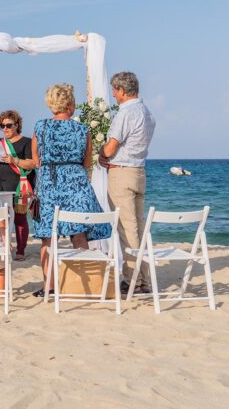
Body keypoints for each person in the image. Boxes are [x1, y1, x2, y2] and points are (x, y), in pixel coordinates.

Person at [32, 83, 110, 297]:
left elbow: (36, 161)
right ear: (70, 104)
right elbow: (86, 163)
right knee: (79, 235)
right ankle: (81, 285)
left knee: (48, 238)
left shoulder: (41, 127)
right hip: (77, 184)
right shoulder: (82, 129)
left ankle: (49, 287)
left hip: (49, 183)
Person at [99, 72, 156, 295]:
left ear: (122, 91)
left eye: (115, 90)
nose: (114, 94)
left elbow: (111, 147)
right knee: (138, 228)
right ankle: (143, 278)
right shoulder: (147, 113)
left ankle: (133, 279)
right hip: (139, 171)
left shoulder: (126, 113)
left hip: (122, 173)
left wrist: (100, 154)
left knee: (126, 228)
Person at [0, 110, 36, 261]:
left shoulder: (26, 142)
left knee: (20, 219)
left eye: (8, 125)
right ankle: (2, 246)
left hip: (19, 187)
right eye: (2, 126)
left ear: (16, 125)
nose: (5, 129)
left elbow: (32, 163)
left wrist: (15, 160)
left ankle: (20, 250)